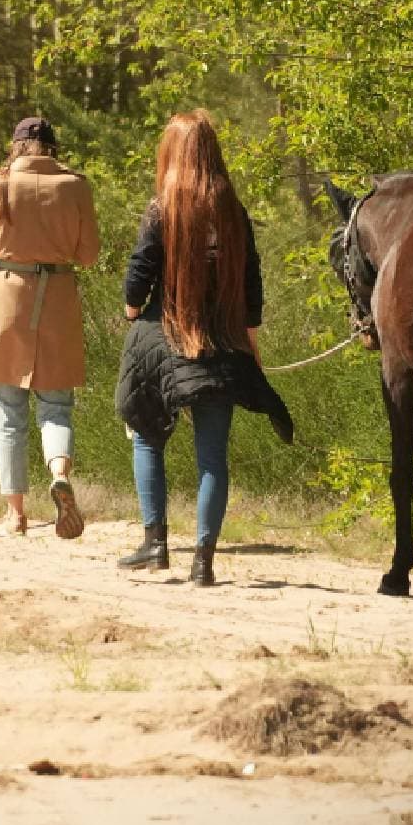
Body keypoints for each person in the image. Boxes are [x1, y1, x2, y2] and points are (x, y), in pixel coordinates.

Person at [114, 110, 292, 583]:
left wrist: (133, 313)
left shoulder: (163, 209)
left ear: (172, 154)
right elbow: (252, 283)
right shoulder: (234, 213)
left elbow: (138, 277)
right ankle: (203, 562)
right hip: (224, 343)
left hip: (166, 339)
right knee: (213, 456)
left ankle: (155, 544)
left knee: (148, 435)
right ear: (212, 152)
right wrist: (250, 342)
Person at [0, 116, 100, 538]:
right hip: (58, 294)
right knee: (56, 405)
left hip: (8, 294)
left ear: (16, 145)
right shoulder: (75, 185)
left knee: (8, 411)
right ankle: (59, 472)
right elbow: (89, 255)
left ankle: (16, 514)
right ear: (52, 147)